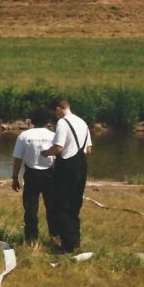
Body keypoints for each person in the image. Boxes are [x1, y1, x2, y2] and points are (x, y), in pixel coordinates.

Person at [41, 98, 92, 253]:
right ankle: (76, 241)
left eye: (54, 113)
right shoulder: (82, 122)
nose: (55, 117)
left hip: (67, 167)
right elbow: (89, 149)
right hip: (82, 165)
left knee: (60, 205)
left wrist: (45, 153)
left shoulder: (63, 123)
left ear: (59, 109)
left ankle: (67, 245)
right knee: (75, 205)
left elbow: (58, 148)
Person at [11, 107, 57, 243]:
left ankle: (31, 237)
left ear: (31, 121)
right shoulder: (53, 136)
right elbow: (59, 156)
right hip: (50, 173)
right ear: (48, 121)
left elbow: (17, 158)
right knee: (52, 207)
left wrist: (15, 177)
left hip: (32, 174)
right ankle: (54, 235)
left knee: (31, 208)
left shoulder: (24, 136)